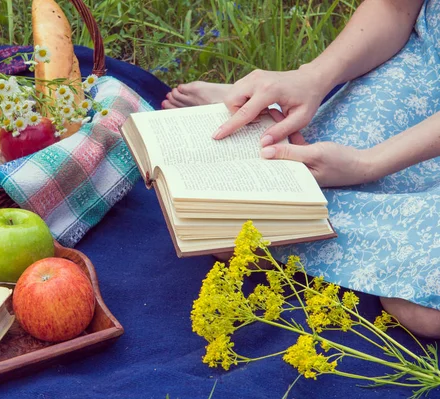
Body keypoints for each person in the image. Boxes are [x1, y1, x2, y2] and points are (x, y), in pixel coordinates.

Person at [164, 0, 440, 338]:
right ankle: (267, 115)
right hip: (430, 69)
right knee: (259, 202)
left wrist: (367, 164)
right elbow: (394, 7)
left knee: (424, 309)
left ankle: (266, 117)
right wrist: (311, 77)